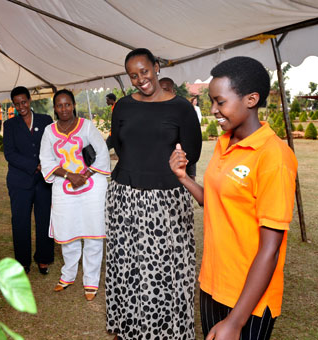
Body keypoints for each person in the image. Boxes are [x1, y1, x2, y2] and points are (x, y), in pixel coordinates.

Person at [169, 56, 298, 340]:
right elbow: (215, 202)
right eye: (211, 102)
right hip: (212, 283)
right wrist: (184, 178)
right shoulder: (224, 143)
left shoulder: (274, 157)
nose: (213, 109)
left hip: (247, 298)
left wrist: (236, 321)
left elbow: (271, 249)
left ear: (251, 99)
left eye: (220, 101)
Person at [105, 48, 202, 340]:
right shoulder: (122, 107)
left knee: (168, 270)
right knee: (127, 265)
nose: (140, 80)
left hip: (167, 200)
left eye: (144, 72)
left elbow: (192, 152)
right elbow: (121, 148)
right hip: (125, 197)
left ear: (156, 67)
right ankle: (130, 328)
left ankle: (167, 331)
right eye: (133, 75)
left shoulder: (181, 108)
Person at [40, 89, 110, 301]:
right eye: (60, 105)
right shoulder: (49, 131)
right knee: (67, 232)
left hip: (92, 186)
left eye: (67, 104)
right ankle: (68, 275)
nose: (64, 109)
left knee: (93, 234)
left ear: (73, 105)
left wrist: (85, 174)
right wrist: (70, 175)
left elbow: (102, 153)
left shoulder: (87, 126)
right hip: (64, 187)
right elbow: (47, 160)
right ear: (55, 108)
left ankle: (91, 281)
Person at [3, 86, 53, 275]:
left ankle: (44, 259)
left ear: (30, 100)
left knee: (44, 220)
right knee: (20, 222)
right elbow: (10, 154)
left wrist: (46, 166)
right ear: (14, 105)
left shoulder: (45, 120)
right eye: (17, 104)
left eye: (23, 102)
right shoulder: (9, 125)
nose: (21, 106)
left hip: (43, 182)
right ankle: (22, 262)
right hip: (19, 182)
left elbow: (52, 145)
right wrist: (35, 165)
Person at [159, 77, 198, 180]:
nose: (162, 93)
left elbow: (192, 141)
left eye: (166, 90)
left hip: (181, 164)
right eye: (159, 90)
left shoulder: (183, 108)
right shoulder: (153, 110)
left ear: (174, 91)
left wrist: (191, 173)